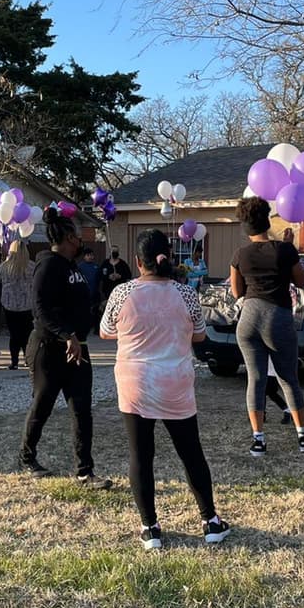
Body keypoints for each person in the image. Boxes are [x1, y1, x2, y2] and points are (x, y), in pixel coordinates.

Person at [100, 228, 230, 549]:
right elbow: (200, 335)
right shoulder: (185, 293)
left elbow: (105, 332)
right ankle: (210, 521)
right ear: (169, 257)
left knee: (141, 456)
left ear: (136, 261)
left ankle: (150, 528)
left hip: (135, 384)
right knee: (191, 453)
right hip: (175, 383)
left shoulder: (121, 293)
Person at [16, 208, 112, 489]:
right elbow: (40, 309)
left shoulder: (74, 268)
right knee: (42, 404)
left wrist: (96, 311)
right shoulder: (47, 266)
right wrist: (66, 334)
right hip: (49, 347)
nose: (83, 239)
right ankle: (26, 456)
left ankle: (85, 472)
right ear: (70, 237)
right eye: (79, 234)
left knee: (82, 409)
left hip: (78, 349)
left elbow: (76, 304)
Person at [230, 196, 304, 455]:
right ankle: (303, 437)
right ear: (267, 221)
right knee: (288, 378)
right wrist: (288, 251)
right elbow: (301, 281)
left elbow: (236, 292)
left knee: (254, 380)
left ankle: (258, 439)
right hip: (276, 316)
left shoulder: (240, 254)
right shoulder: (285, 250)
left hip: (248, 318)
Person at [0, 239, 35, 370]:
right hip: (27, 304)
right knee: (27, 333)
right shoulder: (32, 266)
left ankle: (14, 361)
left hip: (10, 304)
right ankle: (28, 359)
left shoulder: (5, 266)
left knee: (14, 334)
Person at [77, 247, 102, 333]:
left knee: (96, 311)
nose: (90, 257)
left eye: (91, 255)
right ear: (84, 257)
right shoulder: (80, 267)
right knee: (84, 311)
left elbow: (99, 279)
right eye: (88, 255)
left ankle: (96, 328)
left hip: (95, 292)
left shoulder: (96, 266)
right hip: (84, 293)